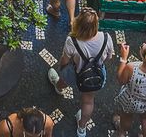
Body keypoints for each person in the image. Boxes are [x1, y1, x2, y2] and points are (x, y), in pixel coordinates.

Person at [48, 8, 114, 137]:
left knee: (62, 81)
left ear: (78, 23)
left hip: (75, 72)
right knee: (88, 102)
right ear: (96, 24)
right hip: (95, 75)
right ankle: (82, 128)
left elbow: (65, 60)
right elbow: (109, 57)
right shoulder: (106, 38)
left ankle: (58, 88)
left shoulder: (71, 41)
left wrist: (62, 68)